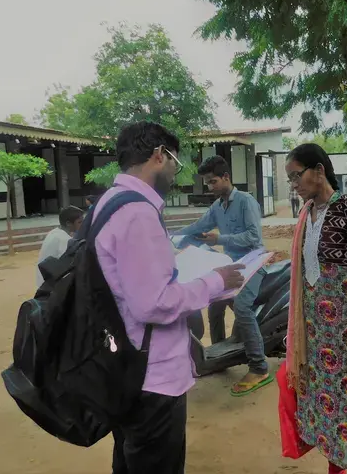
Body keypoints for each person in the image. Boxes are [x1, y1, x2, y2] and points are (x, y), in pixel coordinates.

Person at [92, 122, 244, 474]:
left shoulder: (109, 203)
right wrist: (214, 281)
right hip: (152, 376)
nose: (176, 172)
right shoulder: (138, 213)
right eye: (176, 162)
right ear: (159, 156)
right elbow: (153, 304)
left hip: (123, 362)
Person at [284, 143, 347, 474]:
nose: (294, 184)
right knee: (328, 416)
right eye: (290, 179)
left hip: (346, 336)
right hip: (316, 338)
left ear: (319, 171)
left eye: (296, 176)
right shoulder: (305, 215)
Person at [175, 155, 273, 396]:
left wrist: (220, 239)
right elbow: (199, 226)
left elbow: (253, 237)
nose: (210, 187)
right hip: (231, 263)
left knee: (241, 307)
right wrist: (171, 236)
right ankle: (220, 355)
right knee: (213, 303)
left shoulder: (245, 201)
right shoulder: (217, 206)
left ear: (226, 177)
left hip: (253, 261)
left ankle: (259, 367)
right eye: (207, 183)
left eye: (213, 182)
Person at [35, 206, 84, 287]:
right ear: (68, 223)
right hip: (50, 285)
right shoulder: (64, 240)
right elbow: (71, 266)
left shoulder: (55, 232)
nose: (82, 225)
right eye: (80, 222)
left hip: (44, 280)